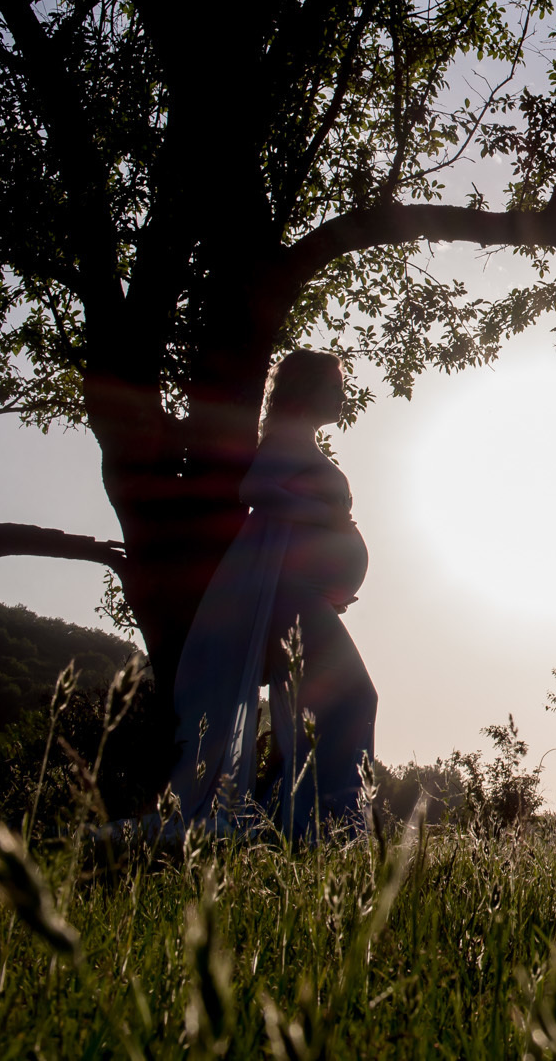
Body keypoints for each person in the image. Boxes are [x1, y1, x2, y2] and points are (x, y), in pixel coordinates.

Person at [169, 350, 376, 834]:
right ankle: (330, 826)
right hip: (293, 598)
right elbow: (255, 489)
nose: (343, 396)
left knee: (318, 713)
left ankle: (294, 823)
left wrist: (334, 579)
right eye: (334, 387)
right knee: (355, 697)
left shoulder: (303, 442)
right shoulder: (286, 438)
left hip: (308, 596)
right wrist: (323, 517)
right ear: (306, 390)